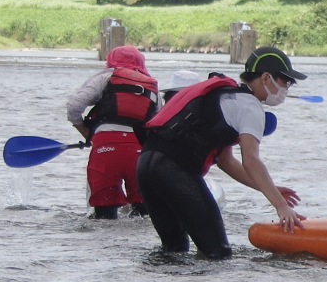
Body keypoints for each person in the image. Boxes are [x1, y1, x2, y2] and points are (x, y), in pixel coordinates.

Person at [135, 46, 306, 258]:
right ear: (265, 77)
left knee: (175, 249)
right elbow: (251, 161)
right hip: (173, 170)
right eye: (285, 81)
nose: (287, 88)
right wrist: (281, 206)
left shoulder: (223, 95)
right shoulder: (250, 107)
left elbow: (226, 162)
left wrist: (269, 188)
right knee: (217, 252)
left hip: (146, 166)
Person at [66, 44, 158, 220]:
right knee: (143, 214)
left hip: (105, 150)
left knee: (104, 216)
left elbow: (73, 107)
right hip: (139, 154)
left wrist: (86, 133)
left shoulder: (104, 77)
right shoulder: (151, 85)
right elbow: (158, 123)